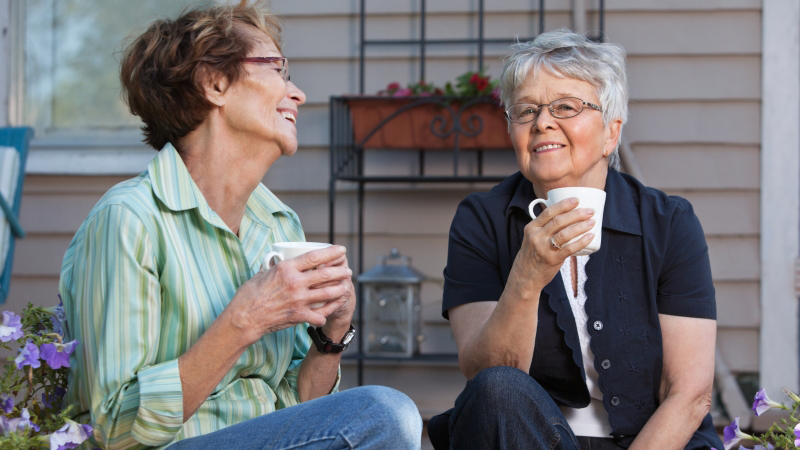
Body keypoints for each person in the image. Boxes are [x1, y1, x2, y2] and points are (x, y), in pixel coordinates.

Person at [58, 2, 422, 449]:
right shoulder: (130, 219)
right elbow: (113, 427)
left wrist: (332, 334)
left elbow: (298, 413)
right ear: (214, 83)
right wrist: (245, 320)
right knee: (385, 413)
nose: (298, 93)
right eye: (278, 70)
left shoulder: (276, 224)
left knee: (382, 416)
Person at [428, 30, 723, 449]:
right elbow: (485, 376)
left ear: (611, 132)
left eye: (566, 106)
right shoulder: (482, 220)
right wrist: (527, 278)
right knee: (497, 388)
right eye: (526, 110)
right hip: (531, 438)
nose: (543, 122)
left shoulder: (669, 222)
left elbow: (690, 394)